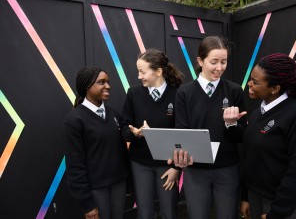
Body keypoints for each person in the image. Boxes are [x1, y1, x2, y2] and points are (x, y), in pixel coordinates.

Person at [173, 36, 247, 219]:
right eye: (214, 62)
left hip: (227, 169)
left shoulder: (235, 90)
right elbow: (181, 131)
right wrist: (180, 157)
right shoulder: (185, 92)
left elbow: (242, 135)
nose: (219, 68)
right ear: (200, 60)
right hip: (195, 170)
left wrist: (231, 124)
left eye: (224, 62)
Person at [240, 53, 296, 219]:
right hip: (256, 197)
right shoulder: (255, 114)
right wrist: (246, 196)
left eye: (255, 82)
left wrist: (277, 212)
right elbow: (251, 158)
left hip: (282, 205)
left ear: (275, 88)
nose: (249, 84)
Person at [120, 48, 184, 219]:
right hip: (140, 163)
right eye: (138, 71)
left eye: (142, 71)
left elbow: (184, 133)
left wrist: (176, 167)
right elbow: (124, 129)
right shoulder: (133, 93)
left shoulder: (178, 94)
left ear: (158, 71)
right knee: (144, 211)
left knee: (169, 211)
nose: (139, 76)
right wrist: (135, 133)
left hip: (168, 164)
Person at [61, 66, 129, 219]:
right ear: (87, 86)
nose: (108, 86)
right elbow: (75, 166)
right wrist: (87, 204)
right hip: (96, 190)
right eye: (101, 82)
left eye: (108, 82)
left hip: (118, 185)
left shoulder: (114, 113)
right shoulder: (74, 121)